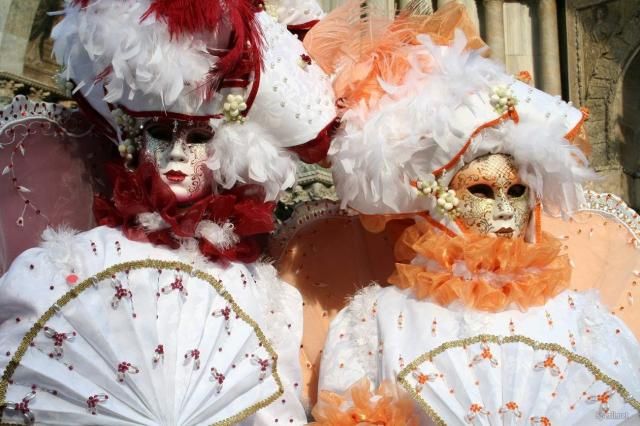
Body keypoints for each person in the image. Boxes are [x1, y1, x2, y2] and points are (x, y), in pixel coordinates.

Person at [0, 0, 335, 424]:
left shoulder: (265, 298)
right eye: (159, 133)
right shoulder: (63, 266)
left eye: (197, 137)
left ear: (225, 153)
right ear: (133, 142)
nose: (176, 151)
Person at [303, 2, 640, 424]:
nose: (503, 209)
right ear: (440, 198)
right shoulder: (381, 321)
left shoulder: (580, 320)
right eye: (481, 190)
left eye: (517, 192)